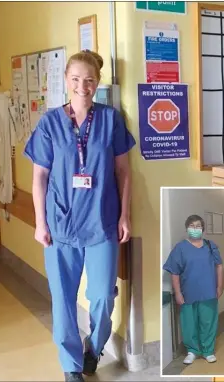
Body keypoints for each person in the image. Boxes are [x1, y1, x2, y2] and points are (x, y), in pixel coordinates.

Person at [24, 50, 136, 382]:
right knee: (63, 301)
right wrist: (40, 222)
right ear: (66, 81)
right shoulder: (50, 123)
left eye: (89, 80)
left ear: (97, 83)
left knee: (102, 295)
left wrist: (125, 216)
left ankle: (94, 347)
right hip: (60, 225)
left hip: (102, 223)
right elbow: (39, 177)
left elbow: (124, 172)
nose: (82, 86)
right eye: (75, 79)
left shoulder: (110, 119)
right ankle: (71, 366)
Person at [163, 214, 223, 366]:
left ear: (202, 229)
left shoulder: (210, 246)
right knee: (189, 323)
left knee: (208, 322)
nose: (195, 229)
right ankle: (192, 351)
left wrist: (219, 286)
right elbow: (174, 271)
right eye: (192, 226)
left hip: (209, 292)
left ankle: (208, 351)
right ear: (187, 228)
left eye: (198, 226)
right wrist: (177, 293)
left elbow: (219, 265)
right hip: (188, 293)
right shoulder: (180, 248)